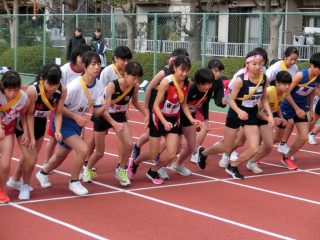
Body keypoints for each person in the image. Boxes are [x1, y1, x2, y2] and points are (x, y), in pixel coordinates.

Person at [35, 51, 107, 196]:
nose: (96, 67)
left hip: (76, 122)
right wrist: (75, 117)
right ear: (85, 66)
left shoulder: (99, 86)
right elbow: (59, 109)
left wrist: (103, 108)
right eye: (93, 64)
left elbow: (96, 112)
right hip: (63, 121)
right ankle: (74, 182)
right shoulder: (74, 86)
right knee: (82, 149)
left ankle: (42, 172)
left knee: (61, 155)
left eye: (98, 64)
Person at [196, 50, 274, 179]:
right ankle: (203, 153)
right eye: (254, 64)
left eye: (260, 64)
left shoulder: (264, 79)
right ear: (247, 64)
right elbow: (230, 100)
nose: (258, 66)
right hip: (235, 113)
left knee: (254, 148)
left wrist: (270, 115)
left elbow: (264, 98)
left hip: (251, 114)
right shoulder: (240, 79)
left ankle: (233, 166)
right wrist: (239, 111)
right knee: (228, 146)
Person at [128, 55, 200, 184]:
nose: (184, 73)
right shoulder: (166, 82)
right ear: (174, 68)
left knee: (172, 153)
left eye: (187, 70)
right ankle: (135, 162)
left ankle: (153, 171)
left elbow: (183, 104)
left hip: (173, 119)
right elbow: (155, 105)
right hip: (158, 119)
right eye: (181, 70)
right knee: (152, 153)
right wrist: (163, 121)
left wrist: (191, 119)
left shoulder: (187, 83)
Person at [7, 64, 66, 200]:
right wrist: (30, 136)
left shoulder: (62, 91)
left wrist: (57, 130)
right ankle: (25, 185)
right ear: (42, 79)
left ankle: (15, 179)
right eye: (50, 84)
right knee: (32, 159)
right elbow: (28, 115)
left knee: (30, 156)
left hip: (40, 123)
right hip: (25, 123)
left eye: (56, 84)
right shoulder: (33, 91)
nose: (53, 88)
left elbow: (58, 113)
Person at [83, 61, 146, 186]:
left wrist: (147, 114)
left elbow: (135, 103)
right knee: (100, 152)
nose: (136, 80)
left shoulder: (135, 87)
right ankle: (87, 169)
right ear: (125, 74)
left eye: (138, 78)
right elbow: (104, 108)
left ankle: (121, 170)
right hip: (103, 116)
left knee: (129, 144)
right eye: (134, 77)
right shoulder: (112, 86)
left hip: (119, 116)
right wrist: (113, 123)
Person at [84, 46, 133, 170]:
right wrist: (103, 108)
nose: (126, 63)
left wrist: (126, 107)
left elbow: (126, 92)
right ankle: (86, 159)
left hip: (118, 111)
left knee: (123, 138)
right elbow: (101, 91)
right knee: (96, 138)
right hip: (104, 109)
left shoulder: (128, 72)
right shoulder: (108, 72)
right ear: (115, 58)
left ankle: (121, 163)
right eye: (123, 59)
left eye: (128, 60)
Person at [43, 45, 91, 168]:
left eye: (86, 58)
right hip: (60, 108)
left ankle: (82, 164)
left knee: (81, 137)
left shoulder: (86, 72)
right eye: (82, 57)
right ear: (75, 56)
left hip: (77, 111)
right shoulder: (64, 71)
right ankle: (47, 162)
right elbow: (57, 91)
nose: (84, 60)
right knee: (54, 138)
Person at [171, 68, 217, 176]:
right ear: (198, 82)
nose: (207, 87)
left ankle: (177, 165)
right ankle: (159, 166)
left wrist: (206, 119)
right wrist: (181, 134)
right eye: (204, 84)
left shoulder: (209, 90)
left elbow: (205, 104)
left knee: (191, 147)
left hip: (189, 118)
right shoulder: (190, 89)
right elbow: (181, 106)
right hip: (176, 117)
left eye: (210, 83)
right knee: (174, 149)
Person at [279, 52, 320, 170]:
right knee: (275, 138)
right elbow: (286, 92)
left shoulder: (318, 77)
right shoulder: (300, 75)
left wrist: (311, 110)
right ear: (312, 65)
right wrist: (296, 108)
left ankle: (286, 158)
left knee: (303, 136)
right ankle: (255, 155)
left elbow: (312, 91)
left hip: (301, 108)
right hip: (287, 107)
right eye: (319, 68)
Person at [246, 71, 291, 174]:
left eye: (289, 84)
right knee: (239, 142)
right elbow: (257, 112)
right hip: (254, 117)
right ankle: (227, 154)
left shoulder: (284, 93)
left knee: (268, 145)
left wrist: (281, 117)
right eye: (285, 84)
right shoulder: (269, 92)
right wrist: (270, 119)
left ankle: (252, 162)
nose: (287, 87)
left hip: (265, 118)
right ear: (277, 83)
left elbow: (277, 105)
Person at [0, 71, 29, 203]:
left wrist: (26, 131)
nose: (12, 94)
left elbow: (23, 115)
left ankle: (0, 189)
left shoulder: (23, 98)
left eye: (15, 90)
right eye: (9, 90)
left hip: (8, 132)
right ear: (2, 87)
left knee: (5, 165)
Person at [265, 47, 299, 155]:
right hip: (268, 98)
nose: (292, 62)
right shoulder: (276, 67)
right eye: (290, 59)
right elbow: (265, 81)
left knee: (288, 122)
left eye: (295, 60)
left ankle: (281, 143)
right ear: (285, 57)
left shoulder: (295, 68)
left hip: (282, 99)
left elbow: (289, 88)